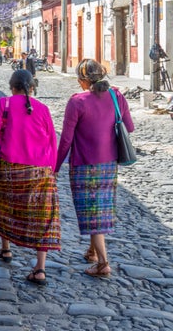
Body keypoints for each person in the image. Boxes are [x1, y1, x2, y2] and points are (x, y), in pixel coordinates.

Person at [55, 59, 134, 278]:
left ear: (83, 80)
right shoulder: (116, 96)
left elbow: (66, 140)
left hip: (83, 164)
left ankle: (103, 263)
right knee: (100, 207)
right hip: (109, 164)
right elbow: (130, 127)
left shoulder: (77, 102)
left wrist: (56, 166)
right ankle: (91, 251)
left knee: (92, 211)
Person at [0, 69, 59, 286]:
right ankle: (40, 268)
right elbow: (52, 141)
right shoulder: (43, 109)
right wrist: (51, 170)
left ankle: (6, 249)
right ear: (32, 87)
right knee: (43, 217)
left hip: (11, 169)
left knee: (7, 208)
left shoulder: (4, 104)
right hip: (41, 171)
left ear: (11, 86)